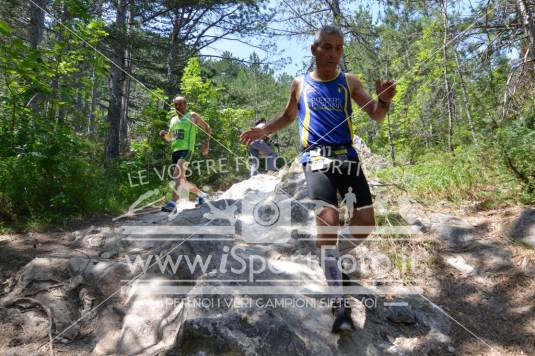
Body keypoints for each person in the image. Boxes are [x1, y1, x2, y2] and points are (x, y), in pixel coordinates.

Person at [240, 25, 396, 333]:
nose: (334, 54)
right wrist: (263, 131)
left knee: (366, 222)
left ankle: (331, 260)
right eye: (328, 47)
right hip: (315, 157)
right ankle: (339, 305)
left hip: (347, 157)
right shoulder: (300, 83)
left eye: (339, 48)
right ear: (315, 50)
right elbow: (288, 116)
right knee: (328, 218)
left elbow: (376, 114)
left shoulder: (349, 82)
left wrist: (385, 100)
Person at [160, 96, 211, 212]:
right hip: (175, 151)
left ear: (186, 105)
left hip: (187, 150)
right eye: (176, 105)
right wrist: (164, 136)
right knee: (182, 180)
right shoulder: (173, 120)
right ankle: (202, 195)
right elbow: (171, 138)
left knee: (176, 174)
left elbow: (207, 127)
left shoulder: (192, 115)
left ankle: (173, 203)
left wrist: (206, 143)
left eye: (181, 104)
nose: (178, 107)